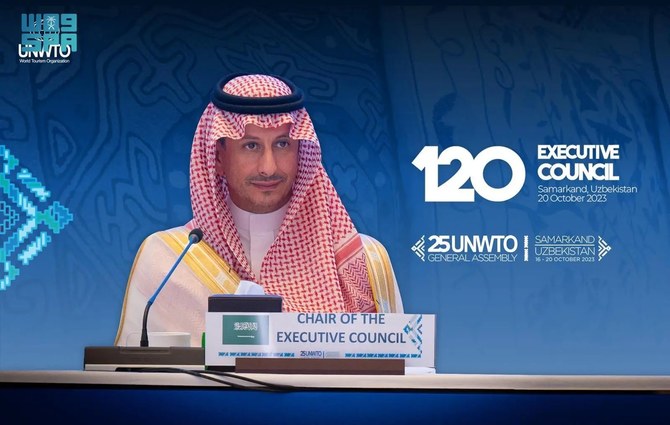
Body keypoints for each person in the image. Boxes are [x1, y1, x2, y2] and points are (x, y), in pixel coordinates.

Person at [115, 74, 402, 347]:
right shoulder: (168, 259)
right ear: (218, 157)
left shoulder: (363, 261)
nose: (268, 167)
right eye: (251, 146)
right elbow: (132, 372)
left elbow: (401, 373)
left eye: (282, 144)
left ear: (301, 152)